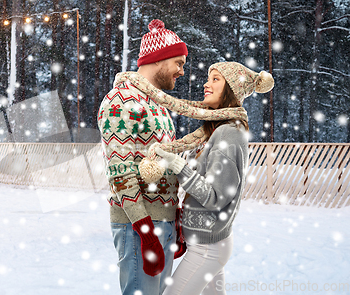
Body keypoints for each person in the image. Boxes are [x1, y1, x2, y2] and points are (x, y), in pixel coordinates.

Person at [116, 62, 274, 295]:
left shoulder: (228, 132)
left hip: (208, 249)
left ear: (231, 89)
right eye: (208, 78)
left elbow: (216, 197)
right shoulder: (216, 129)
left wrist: (178, 165)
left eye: (215, 79)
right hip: (208, 244)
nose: (206, 84)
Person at [97, 19, 188, 295]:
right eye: (179, 63)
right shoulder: (120, 101)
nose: (182, 72)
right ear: (159, 60)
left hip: (162, 222)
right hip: (139, 225)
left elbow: (163, 162)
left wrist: (174, 215)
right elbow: (120, 173)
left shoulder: (157, 104)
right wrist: (145, 231)